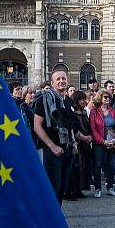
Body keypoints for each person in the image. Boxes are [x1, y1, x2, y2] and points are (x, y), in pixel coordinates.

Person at [33, 70, 75, 206]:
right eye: (58, 79)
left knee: (62, 189)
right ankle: (50, 224)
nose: (61, 81)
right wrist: (52, 146)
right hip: (52, 151)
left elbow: (70, 126)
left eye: (63, 78)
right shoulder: (44, 99)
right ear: (52, 83)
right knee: (52, 190)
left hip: (67, 150)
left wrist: (73, 143)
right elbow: (37, 126)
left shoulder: (68, 101)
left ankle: (58, 224)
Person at [89, 90, 115, 197]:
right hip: (99, 143)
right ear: (100, 98)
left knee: (111, 166)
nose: (108, 99)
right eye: (105, 97)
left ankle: (110, 187)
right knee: (98, 165)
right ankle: (98, 188)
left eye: (109, 97)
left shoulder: (113, 110)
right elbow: (93, 128)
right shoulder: (94, 111)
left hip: (112, 142)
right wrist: (102, 141)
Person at [66, 90, 92, 200]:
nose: (84, 101)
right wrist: (83, 137)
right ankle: (70, 191)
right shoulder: (73, 112)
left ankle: (78, 189)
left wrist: (89, 136)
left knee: (83, 167)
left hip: (85, 144)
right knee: (75, 167)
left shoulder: (84, 112)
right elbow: (73, 128)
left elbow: (87, 125)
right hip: (77, 143)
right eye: (82, 99)